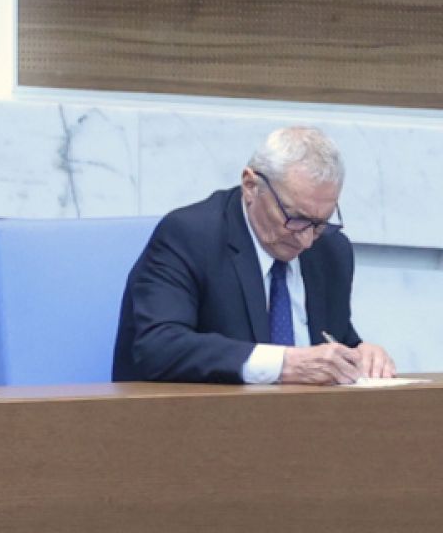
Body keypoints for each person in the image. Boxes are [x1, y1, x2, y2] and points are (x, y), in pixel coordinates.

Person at [113, 126, 395, 385]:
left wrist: (362, 353)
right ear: (251, 186)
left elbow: (331, 339)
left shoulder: (331, 251)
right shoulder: (190, 236)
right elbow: (158, 347)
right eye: (295, 218)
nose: (307, 240)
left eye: (320, 223)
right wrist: (282, 364)